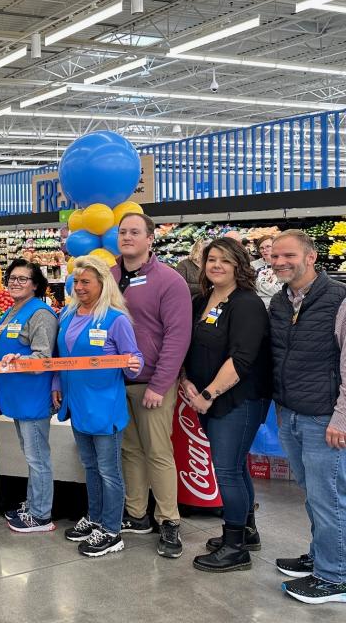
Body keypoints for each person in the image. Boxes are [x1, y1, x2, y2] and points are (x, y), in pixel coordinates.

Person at [180, 238, 272, 572]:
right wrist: (186, 379)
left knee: (228, 470)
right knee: (236, 465)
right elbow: (189, 345)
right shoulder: (200, 299)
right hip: (206, 396)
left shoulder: (246, 303)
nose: (216, 265)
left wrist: (208, 394)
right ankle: (246, 531)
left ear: (239, 266)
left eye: (225, 260)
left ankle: (235, 548)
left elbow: (242, 358)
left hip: (238, 398)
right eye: (211, 259)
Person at [267, 230, 346, 605]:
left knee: (330, 497)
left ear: (311, 257)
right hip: (290, 412)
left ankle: (336, 577)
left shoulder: (338, 298)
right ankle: (322, 557)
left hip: (323, 419)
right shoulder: (281, 301)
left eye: (288, 255)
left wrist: (342, 417)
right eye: (275, 256)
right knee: (314, 495)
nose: (280, 262)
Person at [112, 212, 192, 558]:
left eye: (135, 232)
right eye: (122, 231)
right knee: (129, 451)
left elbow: (177, 337)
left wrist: (160, 384)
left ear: (149, 238)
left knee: (158, 452)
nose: (127, 237)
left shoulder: (169, 281)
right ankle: (136, 513)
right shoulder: (108, 276)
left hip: (153, 384)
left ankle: (169, 521)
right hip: (116, 382)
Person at [57, 256, 144, 558]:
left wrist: (134, 365)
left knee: (109, 471)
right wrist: (58, 386)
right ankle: (95, 519)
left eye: (85, 282)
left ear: (102, 284)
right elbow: (61, 358)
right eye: (76, 281)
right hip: (78, 405)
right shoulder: (67, 315)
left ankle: (111, 530)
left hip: (105, 407)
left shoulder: (115, 319)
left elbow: (134, 359)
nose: (78, 287)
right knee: (90, 467)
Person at [0, 260, 59, 533]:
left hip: (33, 397)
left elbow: (43, 357)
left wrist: (21, 359)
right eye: (12, 277)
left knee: (37, 457)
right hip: (18, 396)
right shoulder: (13, 309)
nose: (15, 282)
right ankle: (34, 503)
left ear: (35, 285)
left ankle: (41, 515)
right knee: (30, 454)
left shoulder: (41, 313)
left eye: (23, 279)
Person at [254, 236, 283, 307]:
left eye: (268, 246)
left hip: (277, 305)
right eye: (261, 248)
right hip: (256, 305)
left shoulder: (283, 264)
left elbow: (281, 290)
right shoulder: (253, 265)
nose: (264, 250)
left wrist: (258, 284)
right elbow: (250, 288)